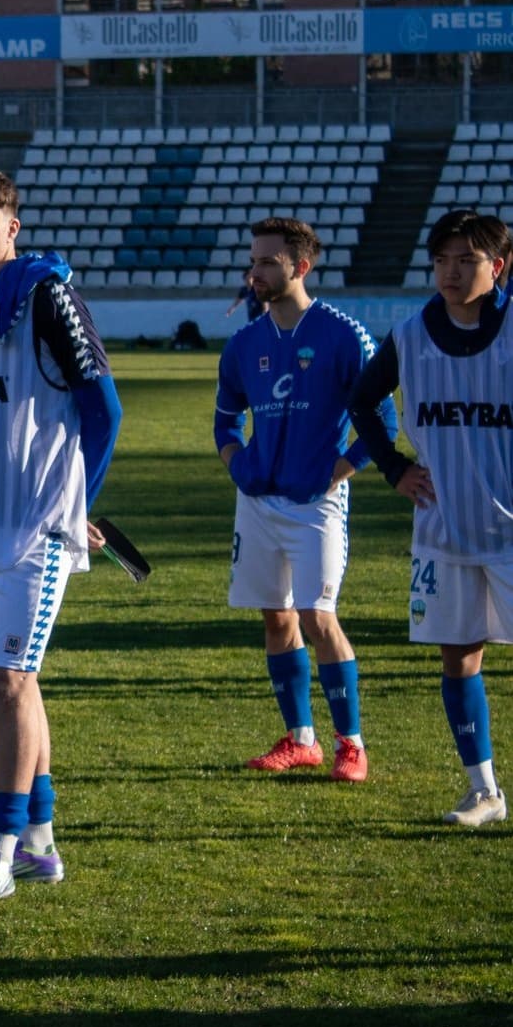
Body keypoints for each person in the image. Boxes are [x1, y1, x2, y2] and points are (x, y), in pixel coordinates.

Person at [0, 167, 122, 904]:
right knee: (7, 682)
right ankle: (41, 845)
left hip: (35, 529)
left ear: (14, 227)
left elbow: (102, 407)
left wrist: (78, 506)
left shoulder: (47, 294)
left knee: (11, 682)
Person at [349, 209, 513, 827]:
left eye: (466, 260)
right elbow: (363, 400)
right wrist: (394, 468)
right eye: (442, 259)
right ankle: (485, 791)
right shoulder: (411, 334)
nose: (450, 271)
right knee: (458, 655)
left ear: (498, 268)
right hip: (444, 529)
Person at [215, 217, 393, 783]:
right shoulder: (244, 343)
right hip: (260, 503)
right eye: (254, 260)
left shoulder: (344, 335)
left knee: (319, 616)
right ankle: (301, 740)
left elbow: (381, 419)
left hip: (317, 504)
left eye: (268, 261)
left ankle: (352, 744)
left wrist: (337, 472)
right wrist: (238, 464)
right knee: (276, 618)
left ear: (301, 266)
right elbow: (224, 419)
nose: (256, 271)